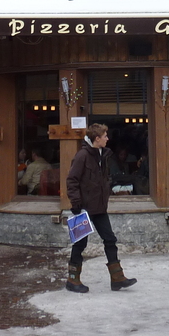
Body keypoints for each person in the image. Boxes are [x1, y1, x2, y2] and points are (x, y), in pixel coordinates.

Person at [64, 123, 136, 293]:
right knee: (80, 244)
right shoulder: (82, 156)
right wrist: (76, 205)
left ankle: (117, 278)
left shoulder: (102, 155)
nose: (107, 138)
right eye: (105, 136)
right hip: (84, 208)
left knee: (110, 239)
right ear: (97, 139)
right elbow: (72, 180)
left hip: (100, 207)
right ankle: (72, 279)